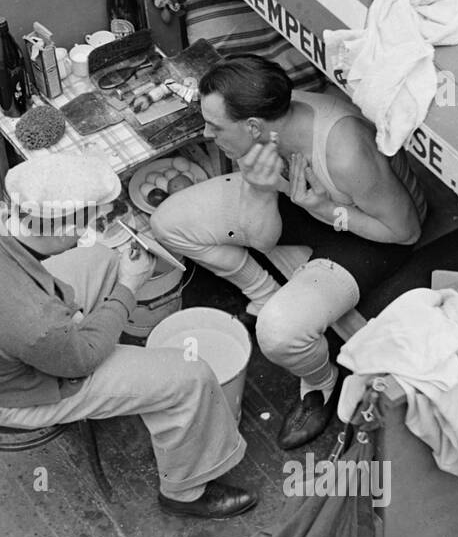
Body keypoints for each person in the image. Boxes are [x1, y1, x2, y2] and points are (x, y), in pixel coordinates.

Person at [0, 157, 258, 519]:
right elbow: (82, 356)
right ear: (62, 229)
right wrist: (129, 287)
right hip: (13, 390)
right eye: (86, 224)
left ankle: (133, 381)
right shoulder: (35, 323)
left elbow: (35, 315)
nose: (88, 232)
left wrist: (110, 283)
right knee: (193, 375)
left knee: (104, 258)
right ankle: (185, 490)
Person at [151, 57, 427, 451]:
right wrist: (261, 189)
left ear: (252, 126)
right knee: (168, 221)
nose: (207, 133)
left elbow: (405, 231)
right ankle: (263, 295)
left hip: (370, 232)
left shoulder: (344, 152)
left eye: (215, 126)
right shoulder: (259, 129)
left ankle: (320, 384)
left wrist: (326, 211)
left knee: (279, 335)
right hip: (303, 204)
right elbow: (264, 239)